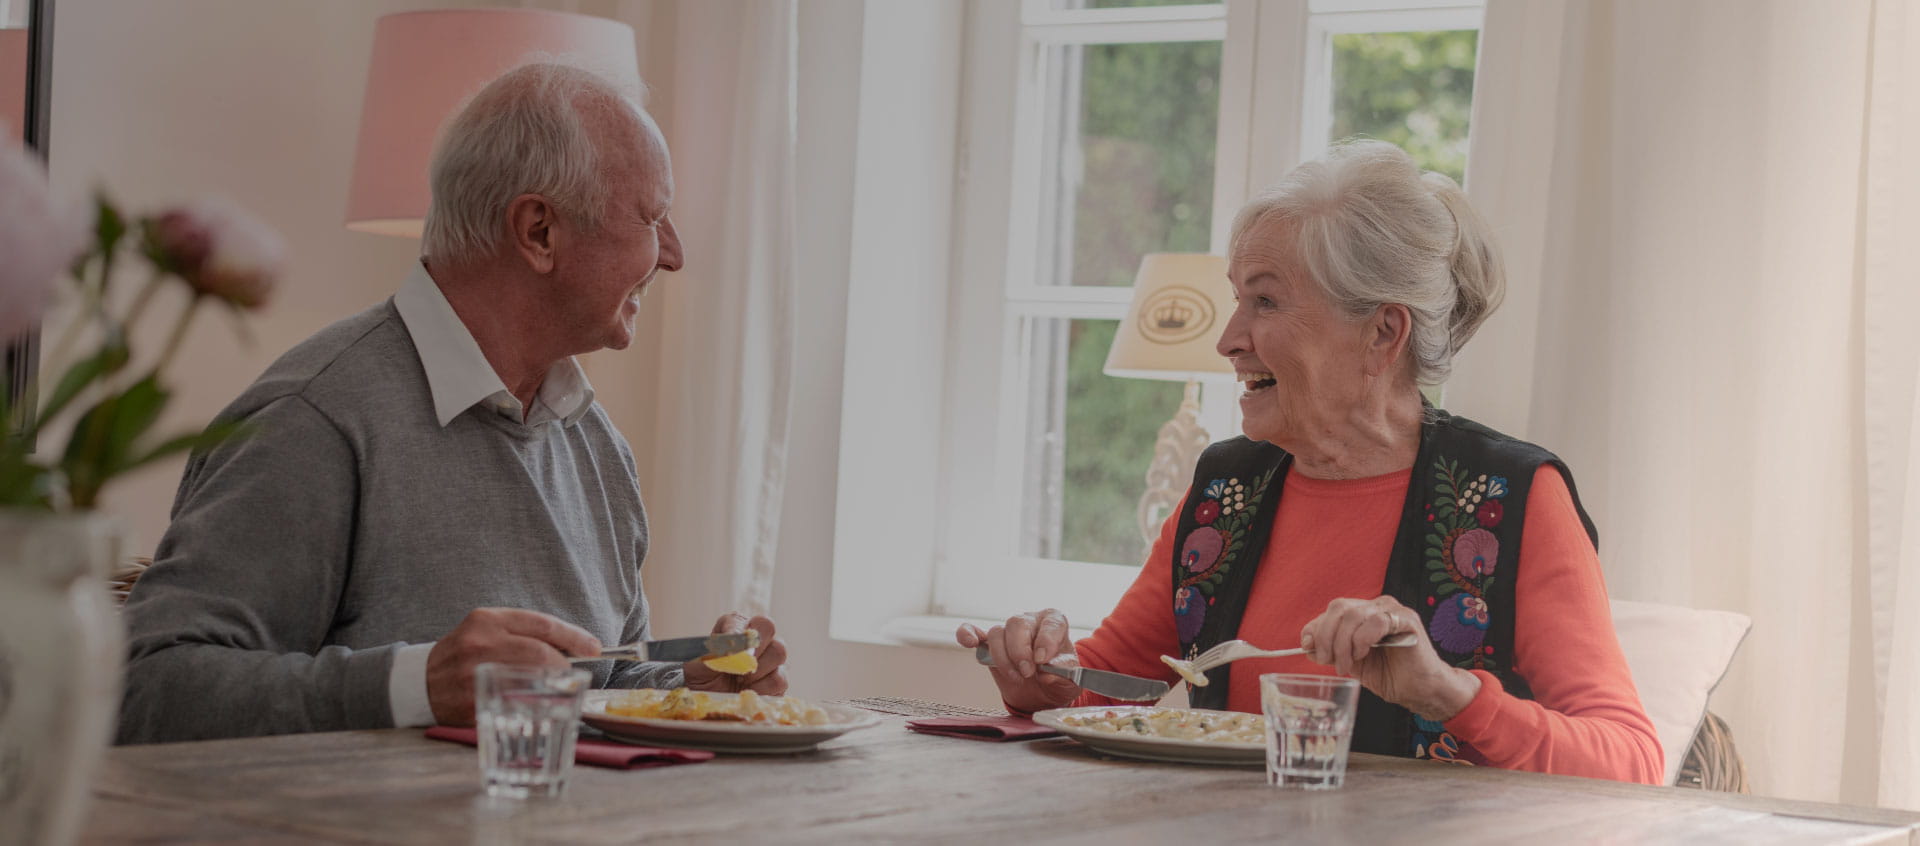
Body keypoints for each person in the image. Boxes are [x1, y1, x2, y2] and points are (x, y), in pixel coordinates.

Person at [117, 63, 788, 744]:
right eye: (653, 217)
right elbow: (145, 689)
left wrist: (689, 691)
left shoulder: (596, 444)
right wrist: (417, 685)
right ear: (539, 232)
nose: (672, 254)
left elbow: (597, 686)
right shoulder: (314, 418)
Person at [958, 140, 1662, 783]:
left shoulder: (1512, 497)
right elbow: (1101, 684)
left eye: (1265, 301)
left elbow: (1631, 761)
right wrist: (1038, 677)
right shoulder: (1225, 489)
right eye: (1239, 301)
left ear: (1382, 333)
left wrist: (1447, 693)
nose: (1230, 340)